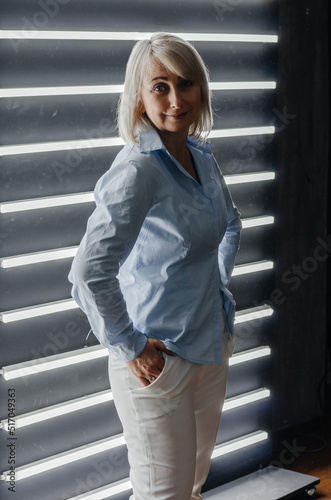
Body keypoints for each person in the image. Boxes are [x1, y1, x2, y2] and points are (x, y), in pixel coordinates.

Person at [69, 32, 242, 500]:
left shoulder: (201, 157)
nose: (175, 98)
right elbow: (89, 271)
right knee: (162, 495)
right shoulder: (137, 172)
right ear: (140, 98)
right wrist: (129, 344)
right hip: (159, 363)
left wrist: (217, 291)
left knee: (192, 486)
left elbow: (230, 224)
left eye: (185, 83)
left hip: (211, 345)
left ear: (200, 89)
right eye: (160, 86)